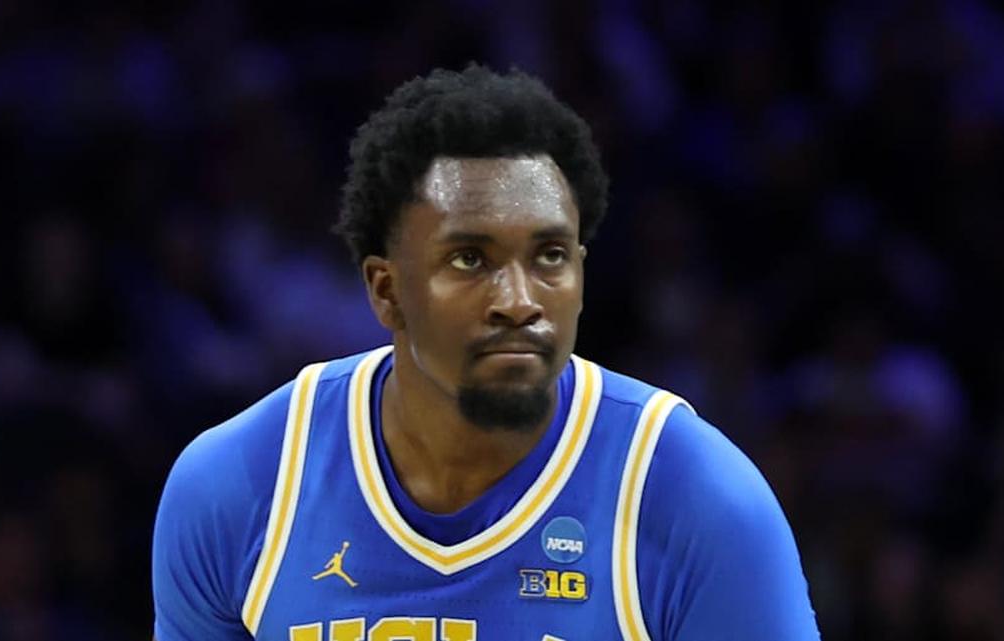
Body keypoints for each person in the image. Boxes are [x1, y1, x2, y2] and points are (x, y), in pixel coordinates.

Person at [152, 64, 820, 641]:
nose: (519, 300)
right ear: (387, 291)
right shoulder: (242, 484)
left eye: (549, 256)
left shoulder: (695, 498)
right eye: (470, 258)